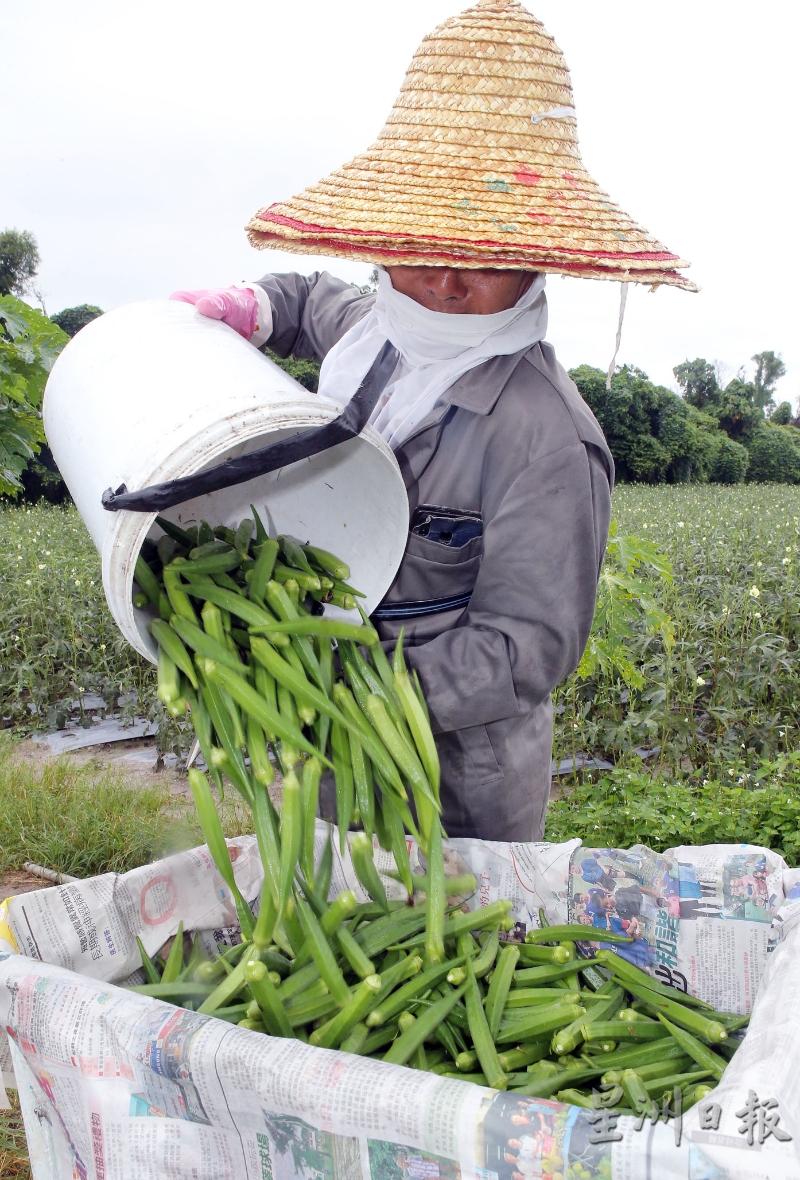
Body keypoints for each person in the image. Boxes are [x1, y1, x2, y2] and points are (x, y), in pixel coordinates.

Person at [172, 0, 692, 843]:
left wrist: (341, 685)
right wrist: (256, 307)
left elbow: (525, 645)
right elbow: (313, 301)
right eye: (421, 248)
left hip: (448, 780)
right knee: (322, 900)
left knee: (441, 951)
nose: (446, 284)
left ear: (538, 261)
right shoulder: (377, 327)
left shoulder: (546, 438)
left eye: (487, 261)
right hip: (324, 748)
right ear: (382, 240)